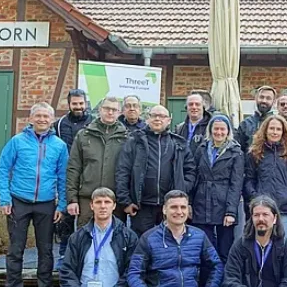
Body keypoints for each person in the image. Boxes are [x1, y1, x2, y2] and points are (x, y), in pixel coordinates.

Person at [0, 102, 68, 287]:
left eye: (46, 116)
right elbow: (2, 170)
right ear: (30, 119)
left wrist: (61, 205)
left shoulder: (59, 145)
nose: (42, 120)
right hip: (19, 201)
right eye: (38, 116)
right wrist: (5, 199)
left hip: (46, 203)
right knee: (15, 249)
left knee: (45, 250)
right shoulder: (17, 142)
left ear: (52, 120)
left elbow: (63, 177)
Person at [115, 105, 196, 236]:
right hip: (142, 206)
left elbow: (191, 171)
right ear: (147, 119)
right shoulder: (135, 141)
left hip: (170, 206)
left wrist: (182, 188)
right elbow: (122, 171)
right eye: (154, 116)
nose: (158, 119)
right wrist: (126, 201)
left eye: (162, 116)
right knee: (142, 244)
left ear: (169, 120)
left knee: (168, 243)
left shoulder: (179, 144)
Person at [66, 96, 128, 227]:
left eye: (114, 109)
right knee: (85, 240)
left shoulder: (126, 138)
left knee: (115, 242)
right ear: (100, 110)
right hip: (88, 199)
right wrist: (72, 199)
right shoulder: (84, 135)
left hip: (115, 201)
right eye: (107, 108)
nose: (110, 112)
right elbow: (74, 168)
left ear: (119, 112)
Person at [191, 114, 244, 263]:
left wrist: (231, 211)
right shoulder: (201, 149)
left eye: (222, 129)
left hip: (224, 203)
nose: (219, 132)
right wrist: (189, 202)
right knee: (204, 249)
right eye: (216, 129)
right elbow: (194, 176)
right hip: (201, 202)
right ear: (210, 130)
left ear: (228, 131)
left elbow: (236, 184)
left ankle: (224, 283)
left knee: (224, 250)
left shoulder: (236, 152)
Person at [244, 115, 287, 245]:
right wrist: (255, 197)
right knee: (261, 245)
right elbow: (249, 179)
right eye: (271, 128)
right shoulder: (255, 152)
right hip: (262, 210)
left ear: (283, 132)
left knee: (282, 246)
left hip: (284, 209)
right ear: (265, 130)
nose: (274, 132)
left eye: (278, 129)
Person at [53, 89, 93, 264]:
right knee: (66, 216)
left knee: (88, 216)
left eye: (81, 103)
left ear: (86, 103)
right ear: (68, 104)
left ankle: (87, 253)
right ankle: (64, 253)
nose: (78, 107)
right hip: (65, 175)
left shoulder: (93, 122)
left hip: (88, 175)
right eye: (74, 104)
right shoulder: (59, 124)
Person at [236, 85, 277, 154]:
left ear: (274, 101)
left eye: (268, 98)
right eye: (261, 97)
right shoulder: (245, 123)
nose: (264, 101)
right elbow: (239, 150)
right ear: (256, 98)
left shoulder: (278, 124)